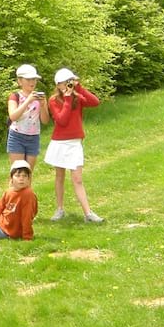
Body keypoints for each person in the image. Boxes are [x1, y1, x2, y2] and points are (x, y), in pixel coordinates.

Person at [44, 68, 104, 223]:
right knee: (59, 176)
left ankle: (88, 213)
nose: (69, 84)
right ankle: (59, 209)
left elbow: (95, 102)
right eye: (67, 82)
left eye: (71, 81)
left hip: (74, 143)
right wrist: (67, 98)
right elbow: (61, 120)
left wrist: (79, 88)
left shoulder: (78, 97)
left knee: (77, 179)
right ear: (59, 85)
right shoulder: (53, 100)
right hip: (59, 142)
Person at [7, 64, 50, 172]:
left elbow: (45, 121)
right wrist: (28, 101)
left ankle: (28, 190)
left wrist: (43, 105)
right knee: (17, 172)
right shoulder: (15, 96)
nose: (32, 82)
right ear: (20, 81)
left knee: (28, 173)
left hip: (33, 138)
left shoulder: (39, 97)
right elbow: (13, 116)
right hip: (17, 136)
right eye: (28, 79)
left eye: (34, 79)